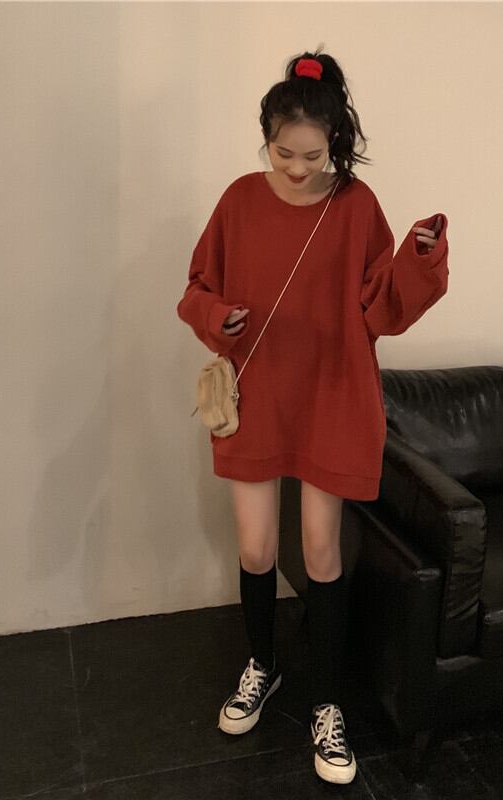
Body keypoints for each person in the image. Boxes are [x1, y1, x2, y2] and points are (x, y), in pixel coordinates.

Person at [176, 48, 449, 785]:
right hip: (257, 394)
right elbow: (196, 288)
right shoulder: (238, 200)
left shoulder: (356, 206)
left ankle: (327, 704)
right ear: (266, 138)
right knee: (256, 547)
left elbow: (384, 305)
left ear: (335, 141)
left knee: (322, 552)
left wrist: (420, 259)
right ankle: (262, 665)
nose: (296, 169)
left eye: (312, 155)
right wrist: (218, 318)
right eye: (282, 153)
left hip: (332, 394)